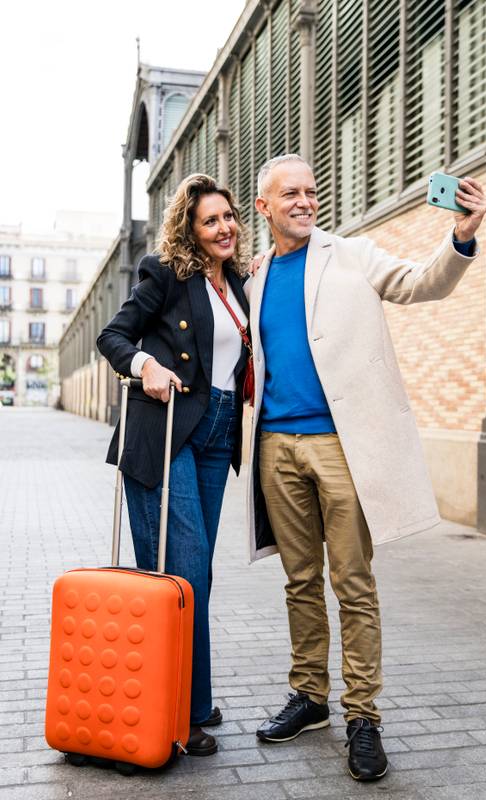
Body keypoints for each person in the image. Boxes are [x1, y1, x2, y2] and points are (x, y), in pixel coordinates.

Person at [245, 154, 486, 781]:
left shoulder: (353, 254)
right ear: (264, 206)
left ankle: (363, 716)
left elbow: (422, 282)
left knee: (352, 582)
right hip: (275, 447)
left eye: (311, 191)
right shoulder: (253, 276)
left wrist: (460, 236)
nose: (305, 201)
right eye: (290, 194)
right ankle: (309, 696)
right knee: (299, 580)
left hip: (341, 446)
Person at [97, 173, 251, 756]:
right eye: (210, 220)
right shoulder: (164, 273)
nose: (224, 227)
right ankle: (177, 715)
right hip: (165, 432)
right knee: (181, 569)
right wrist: (146, 367)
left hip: (218, 433)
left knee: (196, 573)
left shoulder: (239, 282)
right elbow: (112, 336)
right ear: (189, 227)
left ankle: (194, 697)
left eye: (229, 216)